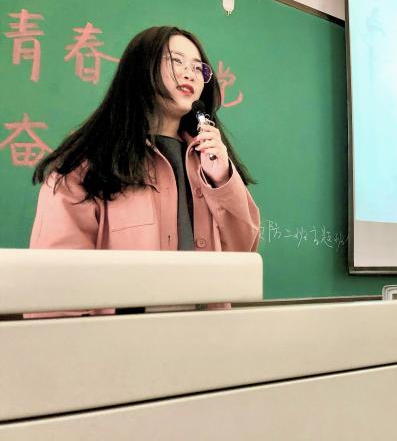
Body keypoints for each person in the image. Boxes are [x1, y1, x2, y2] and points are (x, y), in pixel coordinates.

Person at [29, 26, 260, 313]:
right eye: (176, 61)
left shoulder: (208, 161)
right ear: (142, 67)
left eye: (198, 68)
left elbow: (242, 256)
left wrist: (222, 181)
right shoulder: (89, 162)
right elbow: (56, 284)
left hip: (207, 333)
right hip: (120, 338)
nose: (189, 74)